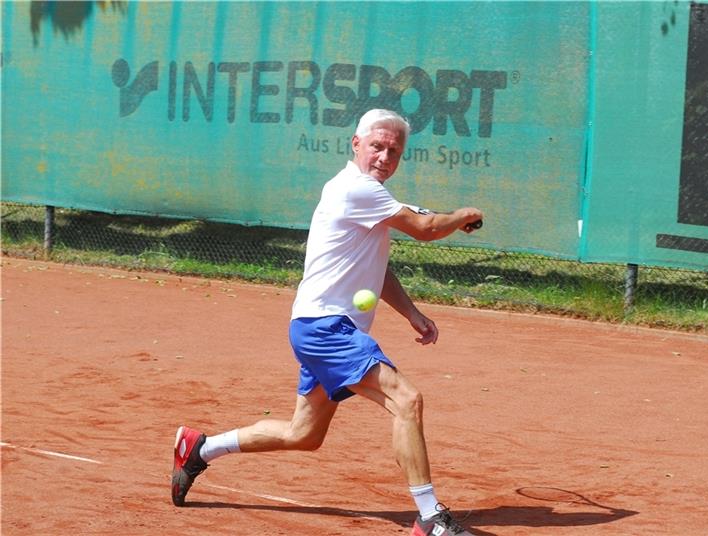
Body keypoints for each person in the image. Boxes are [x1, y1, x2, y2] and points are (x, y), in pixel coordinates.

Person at [172, 109, 484, 536]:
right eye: (376, 146)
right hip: (325, 328)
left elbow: (377, 267)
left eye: (394, 150)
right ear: (356, 144)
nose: (384, 156)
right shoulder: (357, 189)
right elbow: (427, 228)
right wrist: (464, 213)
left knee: (304, 433)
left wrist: (412, 313)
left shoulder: (368, 196)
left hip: (321, 328)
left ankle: (201, 449)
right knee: (406, 401)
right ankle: (430, 518)